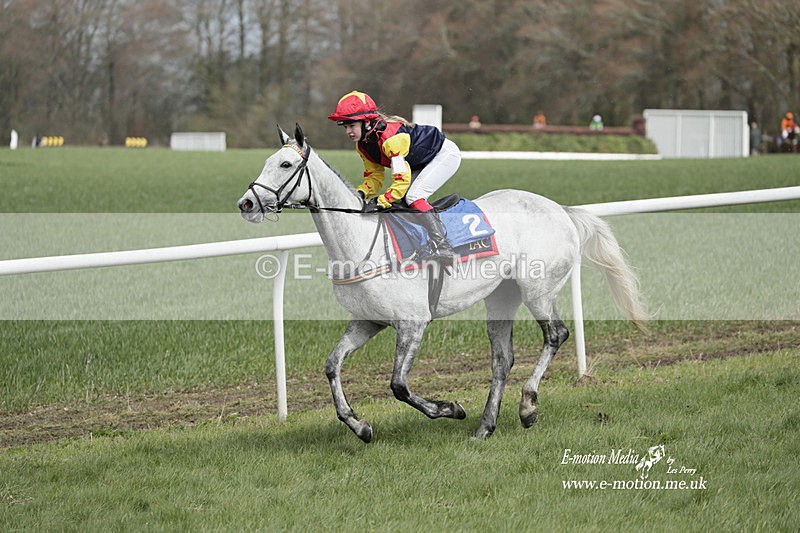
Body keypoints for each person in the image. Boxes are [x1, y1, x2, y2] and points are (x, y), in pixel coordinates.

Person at [328, 90, 461, 261]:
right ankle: (420, 245)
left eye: (352, 125)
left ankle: (444, 247)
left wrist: (380, 201)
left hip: (444, 155)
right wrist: (360, 194)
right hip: (419, 162)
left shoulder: (390, 139)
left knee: (413, 197)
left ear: (367, 122)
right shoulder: (362, 146)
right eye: (345, 127)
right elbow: (374, 176)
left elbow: (400, 180)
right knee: (400, 203)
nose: (348, 132)